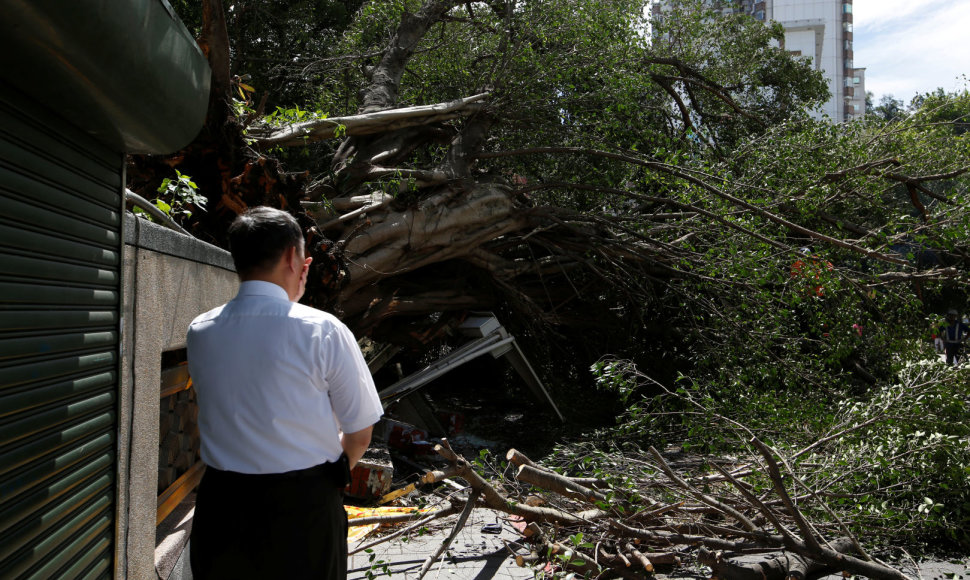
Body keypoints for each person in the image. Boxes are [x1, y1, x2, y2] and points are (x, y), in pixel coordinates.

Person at [186, 207, 384, 579]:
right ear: (295, 258)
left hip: (222, 506)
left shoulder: (200, 330)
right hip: (304, 508)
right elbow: (359, 435)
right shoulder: (323, 330)